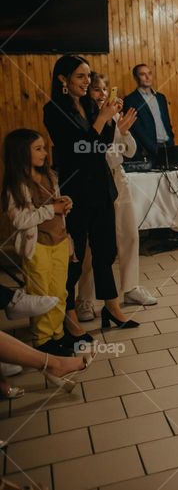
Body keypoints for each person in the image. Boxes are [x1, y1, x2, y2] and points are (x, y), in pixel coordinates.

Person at [43, 55, 140, 338]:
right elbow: (80, 150)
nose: (87, 82)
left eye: (88, 76)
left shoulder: (88, 105)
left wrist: (111, 121)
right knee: (77, 255)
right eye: (80, 77)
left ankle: (111, 306)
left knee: (105, 250)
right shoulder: (54, 110)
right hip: (76, 191)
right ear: (63, 79)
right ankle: (69, 315)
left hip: (101, 187)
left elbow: (102, 144)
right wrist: (101, 118)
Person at [76, 72, 156, 320]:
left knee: (129, 234)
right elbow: (98, 155)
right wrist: (113, 133)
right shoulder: (88, 118)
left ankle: (130, 287)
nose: (102, 95)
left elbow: (130, 151)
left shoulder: (115, 116)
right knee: (93, 245)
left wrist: (122, 131)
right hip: (96, 181)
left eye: (104, 90)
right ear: (89, 93)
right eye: (97, 90)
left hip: (118, 179)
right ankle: (85, 300)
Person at [2, 130, 72, 356]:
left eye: (44, 147)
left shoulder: (50, 175)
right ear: (21, 153)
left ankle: (58, 334)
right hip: (38, 247)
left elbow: (56, 206)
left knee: (60, 292)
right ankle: (43, 340)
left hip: (59, 241)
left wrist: (64, 203)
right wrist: (52, 209)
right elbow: (21, 220)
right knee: (41, 294)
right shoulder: (17, 184)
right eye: (38, 149)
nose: (45, 153)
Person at [124, 63, 175, 163]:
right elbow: (136, 128)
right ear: (136, 77)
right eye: (143, 74)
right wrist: (153, 147)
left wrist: (171, 140)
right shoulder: (130, 100)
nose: (147, 77)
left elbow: (167, 122)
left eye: (149, 73)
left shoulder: (161, 98)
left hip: (167, 146)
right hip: (147, 150)